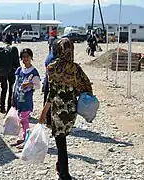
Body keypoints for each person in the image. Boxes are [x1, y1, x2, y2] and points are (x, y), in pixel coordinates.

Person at [38, 38, 93, 180]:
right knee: (62, 139)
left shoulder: (52, 68)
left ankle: (65, 174)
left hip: (58, 109)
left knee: (60, 141)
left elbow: (51, 92)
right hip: (72, 110)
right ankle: (60, 166)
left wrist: (44, 112)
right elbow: (86, 86)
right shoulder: (76, 68)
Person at [12, 48, 41, 149]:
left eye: (27, 57)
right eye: (23, 57)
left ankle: (27, 140)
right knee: (21, 119)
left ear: (31, 57)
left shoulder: (34, 72)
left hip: (26, 100)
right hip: (18, 99)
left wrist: (30, 84)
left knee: (24, 119)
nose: (25, 59)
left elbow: (38, 86)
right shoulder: (20, 70)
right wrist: (12, 97)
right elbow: (15, 84)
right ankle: (24, 137)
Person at [0, 34, 20, 114]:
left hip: (2, 73)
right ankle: (9, 108)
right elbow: (17, 63)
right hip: (11, 72)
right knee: (11, 90)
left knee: (3, 89)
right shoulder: (14, 49)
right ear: (12, 40)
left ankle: (2, 108)